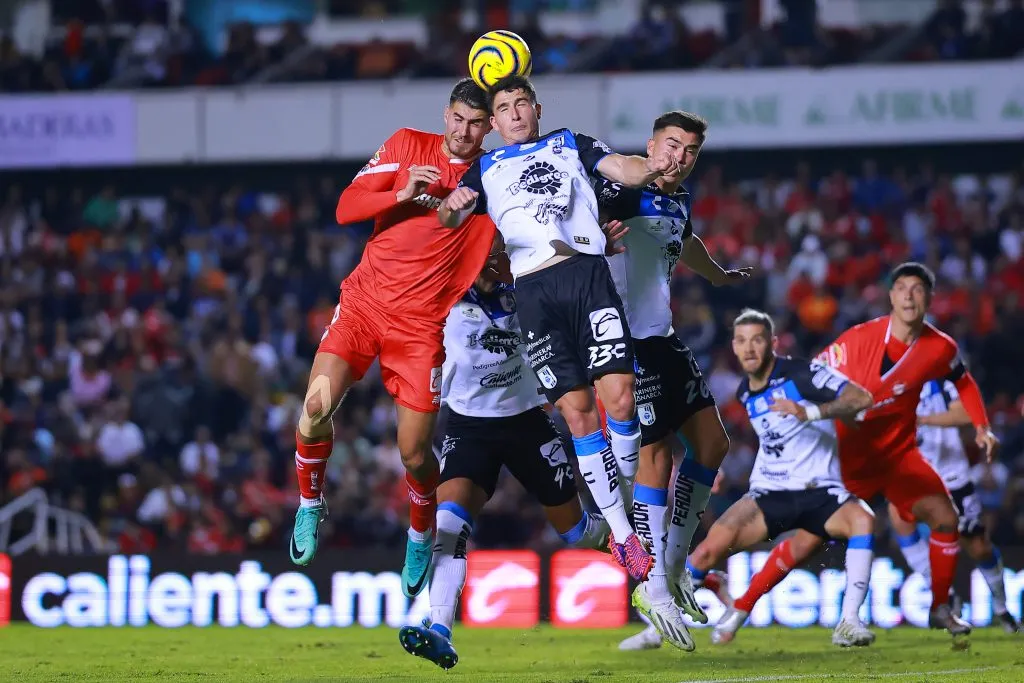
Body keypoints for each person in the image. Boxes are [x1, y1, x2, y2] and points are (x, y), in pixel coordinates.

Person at [438, 74, 681, 580]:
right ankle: (623, 532)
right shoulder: (483, 169)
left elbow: (623, 168)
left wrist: (651, 165)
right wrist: (451, 207)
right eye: (503, 108)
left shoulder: (570, 143)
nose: (514, 114)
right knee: (577, 413)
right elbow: (447, 218)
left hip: (586, 278)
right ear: (496, 122)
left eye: (521, 103)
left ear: (537, 109)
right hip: (534, 295)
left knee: (621, 397)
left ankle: (630, 495)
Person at [289, 78, 497, 603]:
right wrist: (401, 191)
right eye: (457, 118)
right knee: (314, 409)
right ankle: (311, 504)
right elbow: (345, 207)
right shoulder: (406, 144)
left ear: (489, 126)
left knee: (414, 453)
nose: (464, 131)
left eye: (476, 124)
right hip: (365, 303)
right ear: (445, 114)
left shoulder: (494, 178)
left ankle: (420, 530)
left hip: (421, 325)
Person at [399, 257, 611, 670]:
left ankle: (640, 552)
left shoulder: (529, 283)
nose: (494, 262)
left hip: (528, 423)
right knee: (449, 524)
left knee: (578, 533)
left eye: (498, 254)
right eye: (484, 255)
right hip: (469, 426)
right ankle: (440, 629)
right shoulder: (443, 291)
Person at [621, 309, 878, 649]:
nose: (749, 348)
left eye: (757, 340)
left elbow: (861, 398)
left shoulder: (803, 374)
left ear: (772, 343)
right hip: (769, 493)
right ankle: (659, 630)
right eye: (741, 341)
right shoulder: (746, 391)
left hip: (820, 493)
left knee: (863, 520)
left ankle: (849, 621)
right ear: (734, 347)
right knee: (705, 552)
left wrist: (812, 411)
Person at [593, 110, 751, 651]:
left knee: (714, 443)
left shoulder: (677, 200)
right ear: (651, 144)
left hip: (662, 339)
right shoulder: (622, 187)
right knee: (656, 457)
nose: (679, 158)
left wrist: (718, 275)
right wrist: (597, 233)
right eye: (672, 145)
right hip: (625, 342)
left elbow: (684, 243)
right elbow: (582, 222)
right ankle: (653, 584)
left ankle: (677, 563)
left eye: (690, 151)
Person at [813, 261, 999, 635]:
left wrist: (981, 426)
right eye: (902, 288)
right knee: (807, 536)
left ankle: (941, 607)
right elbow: (814, 373)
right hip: (851, 457)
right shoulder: (860, 338)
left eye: (917, 289)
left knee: (946, 519)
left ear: (929, 297)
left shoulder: (940, 348)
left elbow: (964, 383)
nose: (909, 295)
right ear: (891, 296)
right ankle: (718, 589)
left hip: (899, 457)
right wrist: (829, 411)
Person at [889, 381, 1019, 632]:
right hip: (913, 476)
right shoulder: (891, 381)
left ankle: (1002, 608)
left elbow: (964, 413)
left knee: (979, 547)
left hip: (951, 478)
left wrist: (920, 419)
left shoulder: (939, 378)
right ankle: (945, 595)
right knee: (899, 519)